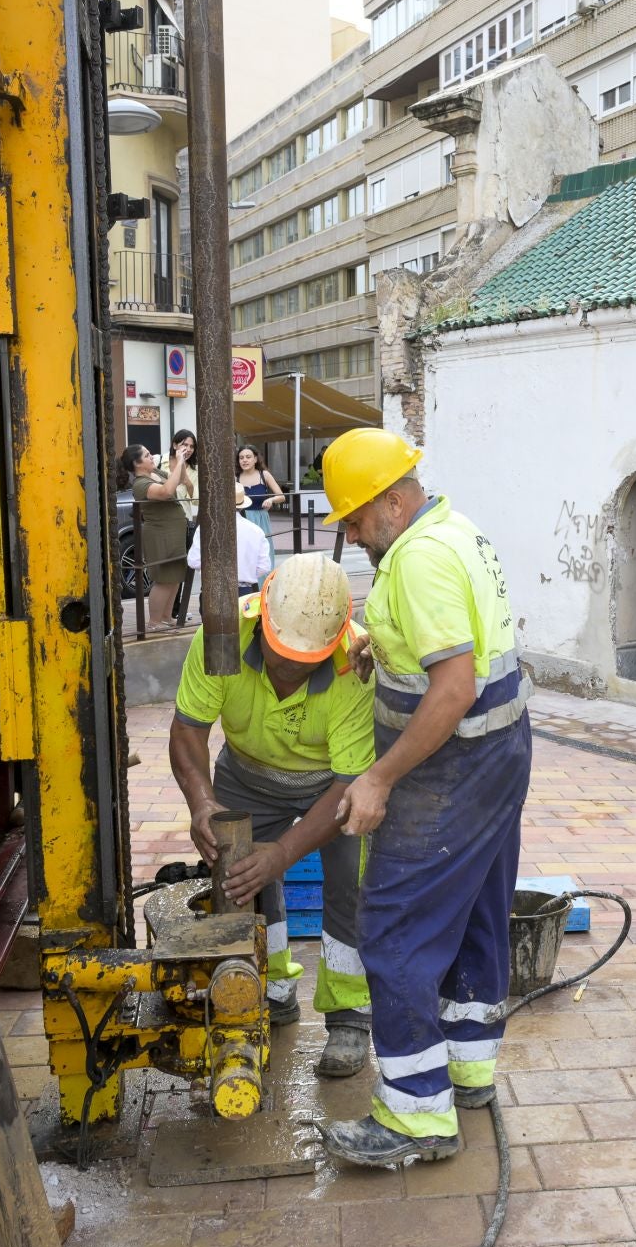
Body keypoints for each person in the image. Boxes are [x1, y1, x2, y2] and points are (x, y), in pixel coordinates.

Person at [313, 428, 532, 1168]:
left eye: (354, 518)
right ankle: (468, 1073)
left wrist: (378, 778)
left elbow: (454, 689)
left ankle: (415, 1117)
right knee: (473, 910)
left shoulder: (418, 560)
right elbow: (454, 646)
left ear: (394, 500)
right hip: (500, 756)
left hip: (449, 770)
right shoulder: (453, 529)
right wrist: (382, 642)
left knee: (395, 930)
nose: (349, 533)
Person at [167, 553, 375, 1077]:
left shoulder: (356, 662)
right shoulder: (224, 636)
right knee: (241, 879)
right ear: (261, 619)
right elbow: (188, 730)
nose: (289, 669)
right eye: (281, 654)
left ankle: (349, 1016)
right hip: (246, 772)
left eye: (305, 661)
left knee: (351, 882)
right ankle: (272, 988)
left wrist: (283, 851)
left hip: (332, 785)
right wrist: (201, 803)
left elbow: (350, 787)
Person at [133, 442, 193, 632]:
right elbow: (166, 491)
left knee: (175, 576)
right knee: (164, 579)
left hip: (173, 529)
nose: (152, 457)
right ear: (136, 463)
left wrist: (181, 460)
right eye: (147, 455)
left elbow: (180, 480)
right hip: (160, 532)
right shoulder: (141, 484)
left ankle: (167, 618)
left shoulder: (156, 473)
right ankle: (154, 622)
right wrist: (180, 460)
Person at [187, 484, 274, 597]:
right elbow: (264, 567)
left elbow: (194, 561)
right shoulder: (256, 531)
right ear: (242, 505)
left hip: (212, 588)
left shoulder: (205, 528)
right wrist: (245, 574)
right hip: (244, 591)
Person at [236, 445, 285, 537]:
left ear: (255, 459)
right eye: (241, 458)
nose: (244, 460)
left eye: (248, 457)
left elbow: (281, 496)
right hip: (241, 520)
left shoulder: (264, 475)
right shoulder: (235, 478)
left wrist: (271, 500)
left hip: (261, 520)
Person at [170, 428, 200, 528]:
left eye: (192, 446)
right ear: (175, 445)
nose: (188, 449)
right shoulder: (158, 461)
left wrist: (181, 464)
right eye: (185, 444)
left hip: (184, 521)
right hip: (161, 520)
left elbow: (196, 500)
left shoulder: (195, 470)